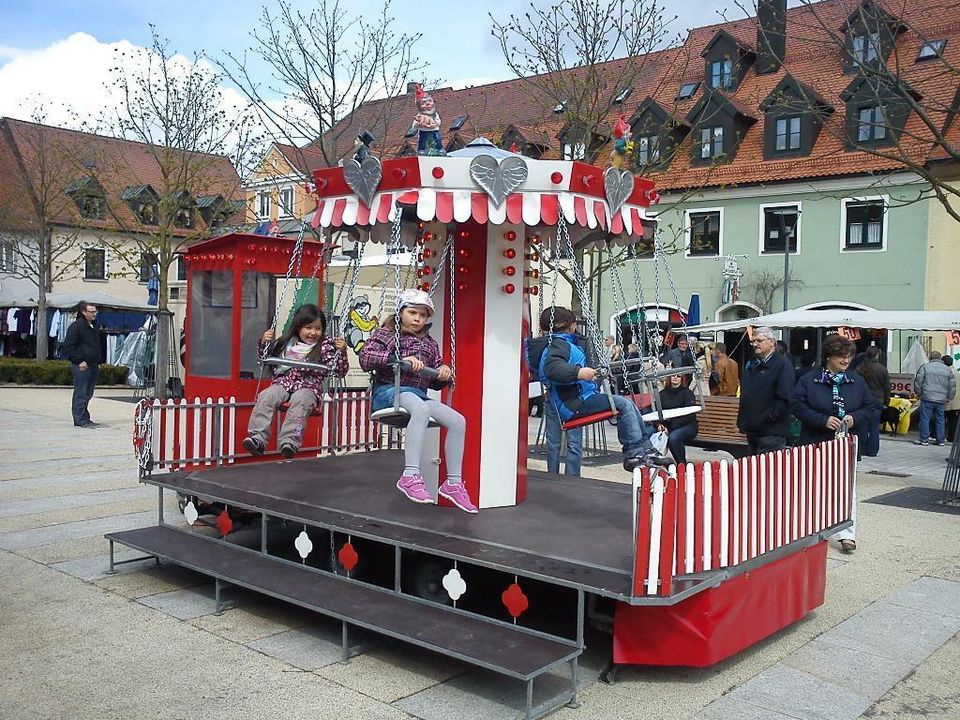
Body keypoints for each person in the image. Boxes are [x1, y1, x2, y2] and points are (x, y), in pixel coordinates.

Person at [359, 289, 476, 513]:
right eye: (412, 312)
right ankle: (410, 474)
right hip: (389, 392)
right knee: (420, 408)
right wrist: (399, 360)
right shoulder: (387, 334)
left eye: (422, 315)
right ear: (400, 312)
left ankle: (453, 482)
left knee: (458, 420)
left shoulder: (430, 344)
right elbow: (366, 357)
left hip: (417, 394)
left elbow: (433, 381)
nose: (417, 319)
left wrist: (442, 371)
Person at [540, 307, 669, 472]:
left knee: (628, 405)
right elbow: (552, 369)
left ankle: (644, 449)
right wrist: (579, 372)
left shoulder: (561, 344)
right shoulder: (559, 344)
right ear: (568, 325)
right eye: (573, 324)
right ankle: (635, 452)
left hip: (578, 397)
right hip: (575, 403)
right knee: (624, 405)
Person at [792, 334, 874, 553]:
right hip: (815, 442)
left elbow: (869, 406)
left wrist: (854, 418)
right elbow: (797, 405)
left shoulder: (857, 381)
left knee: (847, 489)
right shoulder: (810, 380)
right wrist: (822, 420)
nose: (846, 361)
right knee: (811, 488)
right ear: (829, 356)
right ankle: (810, 530)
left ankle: (847, 534)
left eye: (849, 357)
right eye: (841, 356)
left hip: (845, 444)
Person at [243, 304, 349, 459]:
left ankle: (290, 442)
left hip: (308, 387)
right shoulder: (286, 343)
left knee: (301, 402)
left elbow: (339, 371)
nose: (313, 332)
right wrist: (264, 343)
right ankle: (257, 438)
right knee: (266, 396)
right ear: (298, 327)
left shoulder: (325, 347)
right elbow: (265, 357)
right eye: (308, 327)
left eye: (318, 328)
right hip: (283, 383)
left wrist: (342, 352)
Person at [526, 308, 583, 476]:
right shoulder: (573, 347)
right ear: (571, 327)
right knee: (574, 442)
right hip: (572, 398)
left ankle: (553, 475)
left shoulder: (542, 346)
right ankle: (572, 479)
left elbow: (540, 370)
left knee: (553, 442)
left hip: (551, 395)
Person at [737, 327, 795, 455]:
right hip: (752, 428)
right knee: (754, 468)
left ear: (771, 342)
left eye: (759, 340)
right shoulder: (752, 363)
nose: (755, 344)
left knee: (766, 470)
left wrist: (769, 418)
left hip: (771, 431)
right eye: (753, 341)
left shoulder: (782, 364)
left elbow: (785, 397)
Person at [62, 301, 101, 428]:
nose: (94, 314)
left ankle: (85, 417)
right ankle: (79, 419)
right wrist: (79, 360)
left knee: (88, 393)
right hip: (81, 366)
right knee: (81, 393)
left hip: (93, 365)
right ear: (84, 312)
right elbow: (68, 345)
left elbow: (96, 346)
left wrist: (98, 361)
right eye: (91, 312)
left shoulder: (94, 326)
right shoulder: (77, 326)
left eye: (95, 311)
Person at [914, 350, 956, 446]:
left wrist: (919, 393)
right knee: (940, 419)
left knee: (925, 418)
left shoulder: (925, 367)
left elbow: (918, 382)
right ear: (940, 358)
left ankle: (924, 439)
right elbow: (952, 386)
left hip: (927, 397)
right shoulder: (947, 370)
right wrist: (949, 398)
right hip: (941, 399)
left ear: (930, 358)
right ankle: (940, 440)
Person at [655, 372, 699, 465]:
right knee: (646, 433)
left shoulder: (687, 393)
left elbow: (689, 415)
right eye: (673, 375)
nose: (675, 377)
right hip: (666, 425)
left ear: (682, 379)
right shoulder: (662, 394)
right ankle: (651, 462)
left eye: (678, 376)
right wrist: (658, 424)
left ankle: (682, 464)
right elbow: (655, 411)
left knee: (674, 438)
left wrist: (670, 428)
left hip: (687, 425)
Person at [855, 346, 890, 457]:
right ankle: (873, 450)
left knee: (863, 426)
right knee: (874, 427)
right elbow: (887, 387)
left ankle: (862, 449)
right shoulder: (882, 369)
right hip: (877, 401)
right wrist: (886, 401)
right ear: (877, 355)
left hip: (862, 401)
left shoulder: (860, 369)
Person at [944, 355, 960, 443]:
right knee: (953, 420)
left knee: (941, 419)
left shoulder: (948, 372)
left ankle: (938, 436)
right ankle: (952, 438)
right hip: (957, 401)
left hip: (949, 400)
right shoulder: (956, 372)